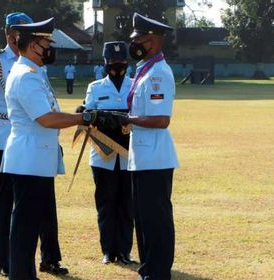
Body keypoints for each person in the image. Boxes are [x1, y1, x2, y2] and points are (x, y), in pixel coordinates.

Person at [2, 17, 115, 280]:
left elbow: (49, 114)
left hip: (35, 160)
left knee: (29, 224)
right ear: (32, 46)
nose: (50, 47)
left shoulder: (33, 72)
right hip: (29, 160)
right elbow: (46, 118)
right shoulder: (26, 76)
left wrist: (80, 116)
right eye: (46, 42)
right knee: (25, 227)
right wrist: (84, 118)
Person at [0, 13, 68, 278]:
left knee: (44, 205)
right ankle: (6, 260)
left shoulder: (35, 64)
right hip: (6, 141)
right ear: (9, 33)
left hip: (38, 142)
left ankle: (49, 256)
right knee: (7, 205)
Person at [106, 13, 179, 280]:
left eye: (138, 40)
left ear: (152, 41)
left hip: (155, 158)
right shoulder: (145, 69)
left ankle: (158, 272)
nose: (133, 45)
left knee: (156, 220)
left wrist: (128, 120)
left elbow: (162, 119)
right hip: (142, 156)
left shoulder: (159, 73)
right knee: (144, 219)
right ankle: (149, 269)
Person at [80, 41, 136, 265]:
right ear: (105, 63)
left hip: (129, 155)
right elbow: (87, 112)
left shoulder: (135, 85)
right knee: (105, 204)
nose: (117, 65)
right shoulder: (95, 87)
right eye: (112, 61)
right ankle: (107, 251)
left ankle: (125, 251)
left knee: (127, 205)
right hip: (102, 157)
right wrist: (83, 112)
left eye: (121, 60)